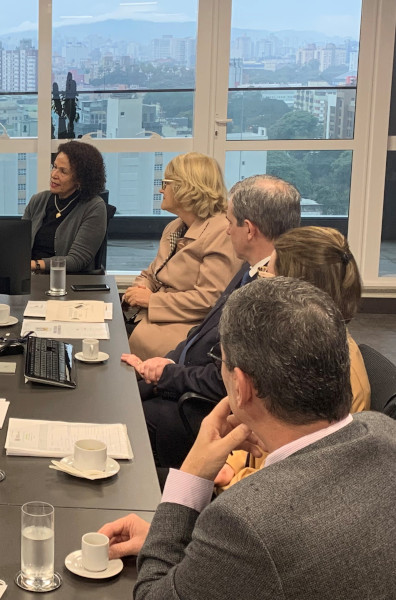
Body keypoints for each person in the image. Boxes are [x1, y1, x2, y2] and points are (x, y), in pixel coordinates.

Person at [100, 277, 396, 599]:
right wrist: (186, 550)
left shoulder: (246, 521)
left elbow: (152, 596)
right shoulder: (383, 429)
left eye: (220, 363)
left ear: (241, 386)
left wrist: (191, 476)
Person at [122, 174, 302, 469]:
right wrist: (167, 363)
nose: (226, 230)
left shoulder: (272, 294)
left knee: (127, 416)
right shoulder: (251, 269)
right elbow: (203, 332)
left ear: (250, 229)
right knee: (124, 388)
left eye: (230, 222)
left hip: (205, 407)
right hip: (192, 381)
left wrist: (169, 374)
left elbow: (227, 381)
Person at [216, 226, 370, 489]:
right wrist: (232, 463)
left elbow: (302, 477)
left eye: (268, 273)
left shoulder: (333, 372)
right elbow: (259, 425)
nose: (259, 280)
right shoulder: (291, 343)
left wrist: (232, 477)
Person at [123, 152, 239, 359]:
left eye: (165, 183)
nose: (161, 189)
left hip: (185, 331)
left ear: (186, 186)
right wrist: (141, 287)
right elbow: (152, 273)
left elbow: (210, 300)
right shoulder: (175, 226)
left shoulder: (222, 232)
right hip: (153, 318)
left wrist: (152, 300)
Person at [23, 140, 107, 274]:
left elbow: (76, 261)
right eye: (54, 167)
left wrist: (34, 265)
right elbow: (20, 244)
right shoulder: (38, 200)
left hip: (67, 283)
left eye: (63, 171)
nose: (54, 175)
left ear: (80, 179)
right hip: (31, 279)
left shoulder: (94, 207)